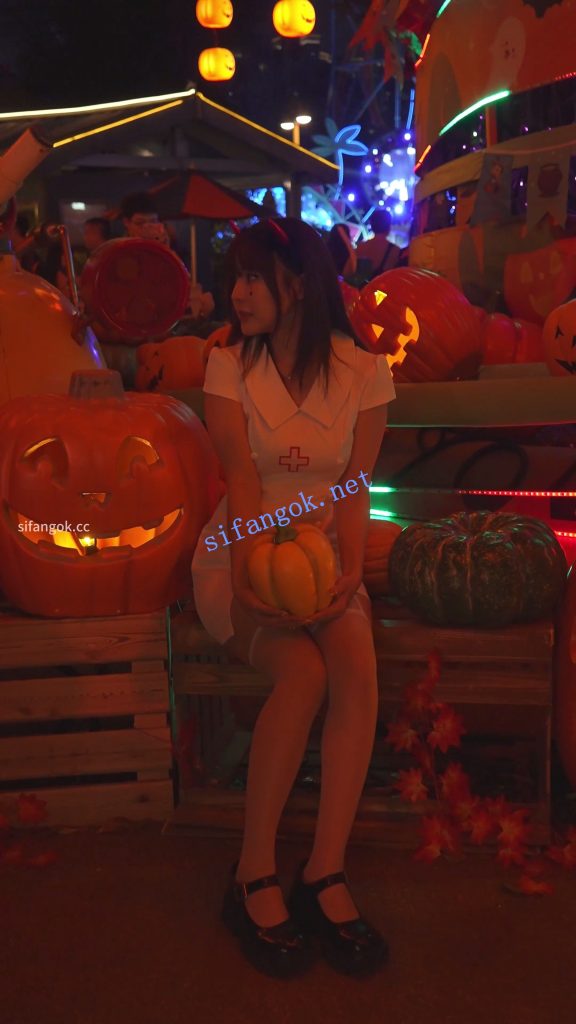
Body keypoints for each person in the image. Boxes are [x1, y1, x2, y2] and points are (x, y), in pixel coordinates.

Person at [191, 217, 395, 978]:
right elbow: (242, 479)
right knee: (302, 674)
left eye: (253, 278)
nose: (237, 293)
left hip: (323, 558)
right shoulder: (228, 366)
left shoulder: (365, 371)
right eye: (235, 278)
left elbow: (354, 486)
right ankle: (252, 873)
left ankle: (324, 869)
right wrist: (248, 569)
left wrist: (351, 572)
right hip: (239, 552)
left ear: (300, 283)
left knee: (356, 667)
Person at [355, 208, 405, 279]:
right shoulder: (396, 251)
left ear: (372, 226)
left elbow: (348, 273)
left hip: (364, 286)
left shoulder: (360, 247)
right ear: (388, 226)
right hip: (383, 285)